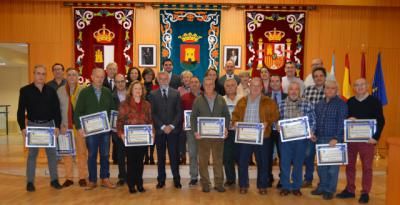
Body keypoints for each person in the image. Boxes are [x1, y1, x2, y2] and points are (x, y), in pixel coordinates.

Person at [336, 78, 385, 204]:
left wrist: (375, 137)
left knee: (367, 168)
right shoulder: (350, 101)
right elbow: (345, 118)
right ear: (354, 88)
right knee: (350, 166)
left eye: (362, 84)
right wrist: (348, 118)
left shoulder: (375, 101)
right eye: (357, 85)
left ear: (367, 86)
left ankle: (365, 192)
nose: (360, 87)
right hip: (351, 140)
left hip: (368, 141)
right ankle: (350, 190)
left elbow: (381, 121)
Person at [17, 64, 62, 192]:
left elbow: (56, 111)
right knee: (32, 155)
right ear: (34, 74)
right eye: (38, 73)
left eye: (43, 74)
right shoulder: (25, 90)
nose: (41, 76)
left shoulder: (51, 91)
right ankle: (30, 182)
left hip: (49, 126)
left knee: (52, 155)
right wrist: (22, 127)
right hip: (33, 126)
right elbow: (20, 111)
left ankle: (54, 180)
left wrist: (57, 126)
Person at [232, 77, 279, 195]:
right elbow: (235, 116)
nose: (255, 88)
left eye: (258, 86)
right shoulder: (242, 101)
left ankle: (262, 186)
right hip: (245, 137)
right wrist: (235, 123)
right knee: (242, 162)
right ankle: (243, 185)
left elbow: (275, 115)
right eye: (253, 85)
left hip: (262, 136)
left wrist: (267, 122)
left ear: (262, 87)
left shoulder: (269, 101)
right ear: (249, 86)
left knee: (263, 162)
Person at [74, 68, 116, 190]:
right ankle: (92, 180)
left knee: (105, 154)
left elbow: (113, 110)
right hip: (90, 131)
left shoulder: (107, 92)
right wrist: (79, 127)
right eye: (97, 77)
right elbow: (77, 112)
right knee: (92, 155)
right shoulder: (84, 93)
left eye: (102, 77)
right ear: (92, 77)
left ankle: (105, 178)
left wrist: (113, 125)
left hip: (105, 131)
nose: (100, 79)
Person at [190, 77, 230, 193]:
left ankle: (219, 184)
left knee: (218, 160)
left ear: (214, 85)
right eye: (206, 84)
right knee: (203, 161)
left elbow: (226, 115)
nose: (208, 86)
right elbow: (193, 117)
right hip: (203, 136)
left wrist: (226, 128)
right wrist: (195, 131)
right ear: (203, 86)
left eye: (210, 84)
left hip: (218, 136)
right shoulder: (198, 100)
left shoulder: (221, 99)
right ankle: (205, 184)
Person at [278, 81, 316, 196]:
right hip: (285, 140)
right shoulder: (281, 104)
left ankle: (296, 187)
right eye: (291, 89)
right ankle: (285, 186)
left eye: (296, 89)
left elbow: (313, 120)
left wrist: (311, 131)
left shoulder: (307, 103)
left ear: (299, 91)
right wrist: (277, 125)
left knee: (298, 163)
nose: (293, 91)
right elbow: (276, 119)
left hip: (301, 140)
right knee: (284, 163)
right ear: (287, 91)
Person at [312, 80, 347, 200]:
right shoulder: (319, 104)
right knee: (321, 167)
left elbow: (342, 123)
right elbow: (316, 121)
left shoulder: (341, 104)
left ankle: (329, 190)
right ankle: (322, 186)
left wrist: (336, 138)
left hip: (333, 140)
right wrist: (315, 134)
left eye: (332, 88)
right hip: (320, 139)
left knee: (332, 169)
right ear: (324, 89)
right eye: (327, 88)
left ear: (336, 90)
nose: (329, 90)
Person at [117, 80, 153, 194]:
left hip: (143, 138)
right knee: (131, 161)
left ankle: (140, 183)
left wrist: (152, 133)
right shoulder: (124, 104)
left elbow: (150, 120)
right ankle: (131, 184)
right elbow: (119, 122)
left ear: (143, 91)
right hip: (129, 138)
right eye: (136, 88)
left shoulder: (147, 104)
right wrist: (121, 134)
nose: (138, 91)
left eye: (140, 89)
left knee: (140, 162)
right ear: (131, 91)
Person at [149, 71, 183, 189]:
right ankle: (161, 180)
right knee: (161, 156)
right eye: (161, 79)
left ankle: (176, 179)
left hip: (173, 131)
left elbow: (179, 112)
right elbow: (153, 113)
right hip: (160, 131)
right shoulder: (153, 94)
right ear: (158, 80)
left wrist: (172, 126)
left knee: (174, 156)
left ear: (169, 80)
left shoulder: (176, 93)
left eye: (165, 79)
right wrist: (163, 126)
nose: (163, 81)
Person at [57, 67, 88, 187]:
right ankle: (69, 178)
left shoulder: (83, 90)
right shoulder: (60, 91)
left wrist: (84, 125)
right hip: (65, 126)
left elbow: (86, 109)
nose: (71, 77)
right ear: (66, 76)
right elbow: (56, 109)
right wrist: (60, 125)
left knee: (82, 153)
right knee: (67, 153)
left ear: (78, 76)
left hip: (79, 126)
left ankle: (82, 177)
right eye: (69, 75)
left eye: (74, 75)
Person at [302, 67, 327, 188]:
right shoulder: (307, 91)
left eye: (321, 76)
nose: (318, 78)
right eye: (316, 76)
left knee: (323, 156)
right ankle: (308, 179)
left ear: (325, 77)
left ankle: (323, 181)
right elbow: (303, 109)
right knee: (308, 155)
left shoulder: (330, 90)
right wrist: (309, 130)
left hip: (324, 129)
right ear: (313, 78)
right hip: (310, 128)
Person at [266, 74, 287, 188]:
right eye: (272, 81)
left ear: (281, 83)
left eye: (277, 81)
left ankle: (282, 179)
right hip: (268, 130)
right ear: (269, 83)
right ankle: (268, 177)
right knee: (267, 155)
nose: (274, 83)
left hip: (282, 131)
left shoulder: (287, 96)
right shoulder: (265, 96)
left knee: (283, 155)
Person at [181, 76, 202, 186]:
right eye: (192, 82)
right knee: (193, 153)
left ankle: (204, 175)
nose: (194, 84)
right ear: (189, 84)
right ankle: (194, 176)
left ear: (200, 84)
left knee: (204, 154)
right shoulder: (184, 97)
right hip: (190, 130)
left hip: (204, 130)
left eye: (196, 82)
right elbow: (180, 113)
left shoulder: (205, 96)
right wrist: (183, 122)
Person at [222, 78, 242, 187]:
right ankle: (230, 179)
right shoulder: (221, 100)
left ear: (236, 87)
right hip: (226, 132)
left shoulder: (243, 99)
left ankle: (242, 179)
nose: (230, 87)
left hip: (240, 132)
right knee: (227, 156)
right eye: (227, 86)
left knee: (240, 157)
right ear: (224, 88)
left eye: (232, 85)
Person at [112, 74, 128, 186]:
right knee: (120, 154)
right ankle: (122, 176)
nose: (120, 84)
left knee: (132, 155)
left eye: (122, 81)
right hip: (117, 130)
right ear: (114, 83)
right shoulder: (110, 96)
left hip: (131, 128)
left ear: (125, 81)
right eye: (118, 82)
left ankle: (132, 175)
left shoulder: (132, 94)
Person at [142, 67, 158, 164]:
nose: (148, 76)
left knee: (153, 136)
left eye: (150, 75)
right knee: (144, 136)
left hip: (153, 115)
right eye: (147, 74)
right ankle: (146, 156)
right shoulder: (140, 86)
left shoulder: (156, 87)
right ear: (143, 76)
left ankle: (151, 155)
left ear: (153, 77)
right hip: (142, 115)